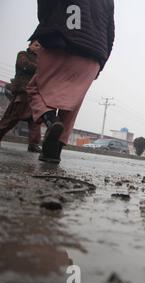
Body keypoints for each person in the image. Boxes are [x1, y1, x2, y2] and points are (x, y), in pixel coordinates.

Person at [27, 0, 115, 164]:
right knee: (73, 103)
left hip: (62, 40)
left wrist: (46, 25)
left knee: (35, 87)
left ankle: (50, 119)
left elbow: (45, 7)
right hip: (95, 53)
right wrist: (100, 64)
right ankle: (53, 153)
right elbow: (110, 35)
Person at [0, 41, 42, 152]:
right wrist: (41, 69)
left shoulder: (43, 60)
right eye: (36, 45)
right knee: (12, 117)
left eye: (40, 47)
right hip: (23, 91)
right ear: (30, 45)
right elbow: (23, 65)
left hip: (36, 95)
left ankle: (33, 144)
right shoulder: (23, 54)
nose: (38, 48)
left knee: (35, 120)